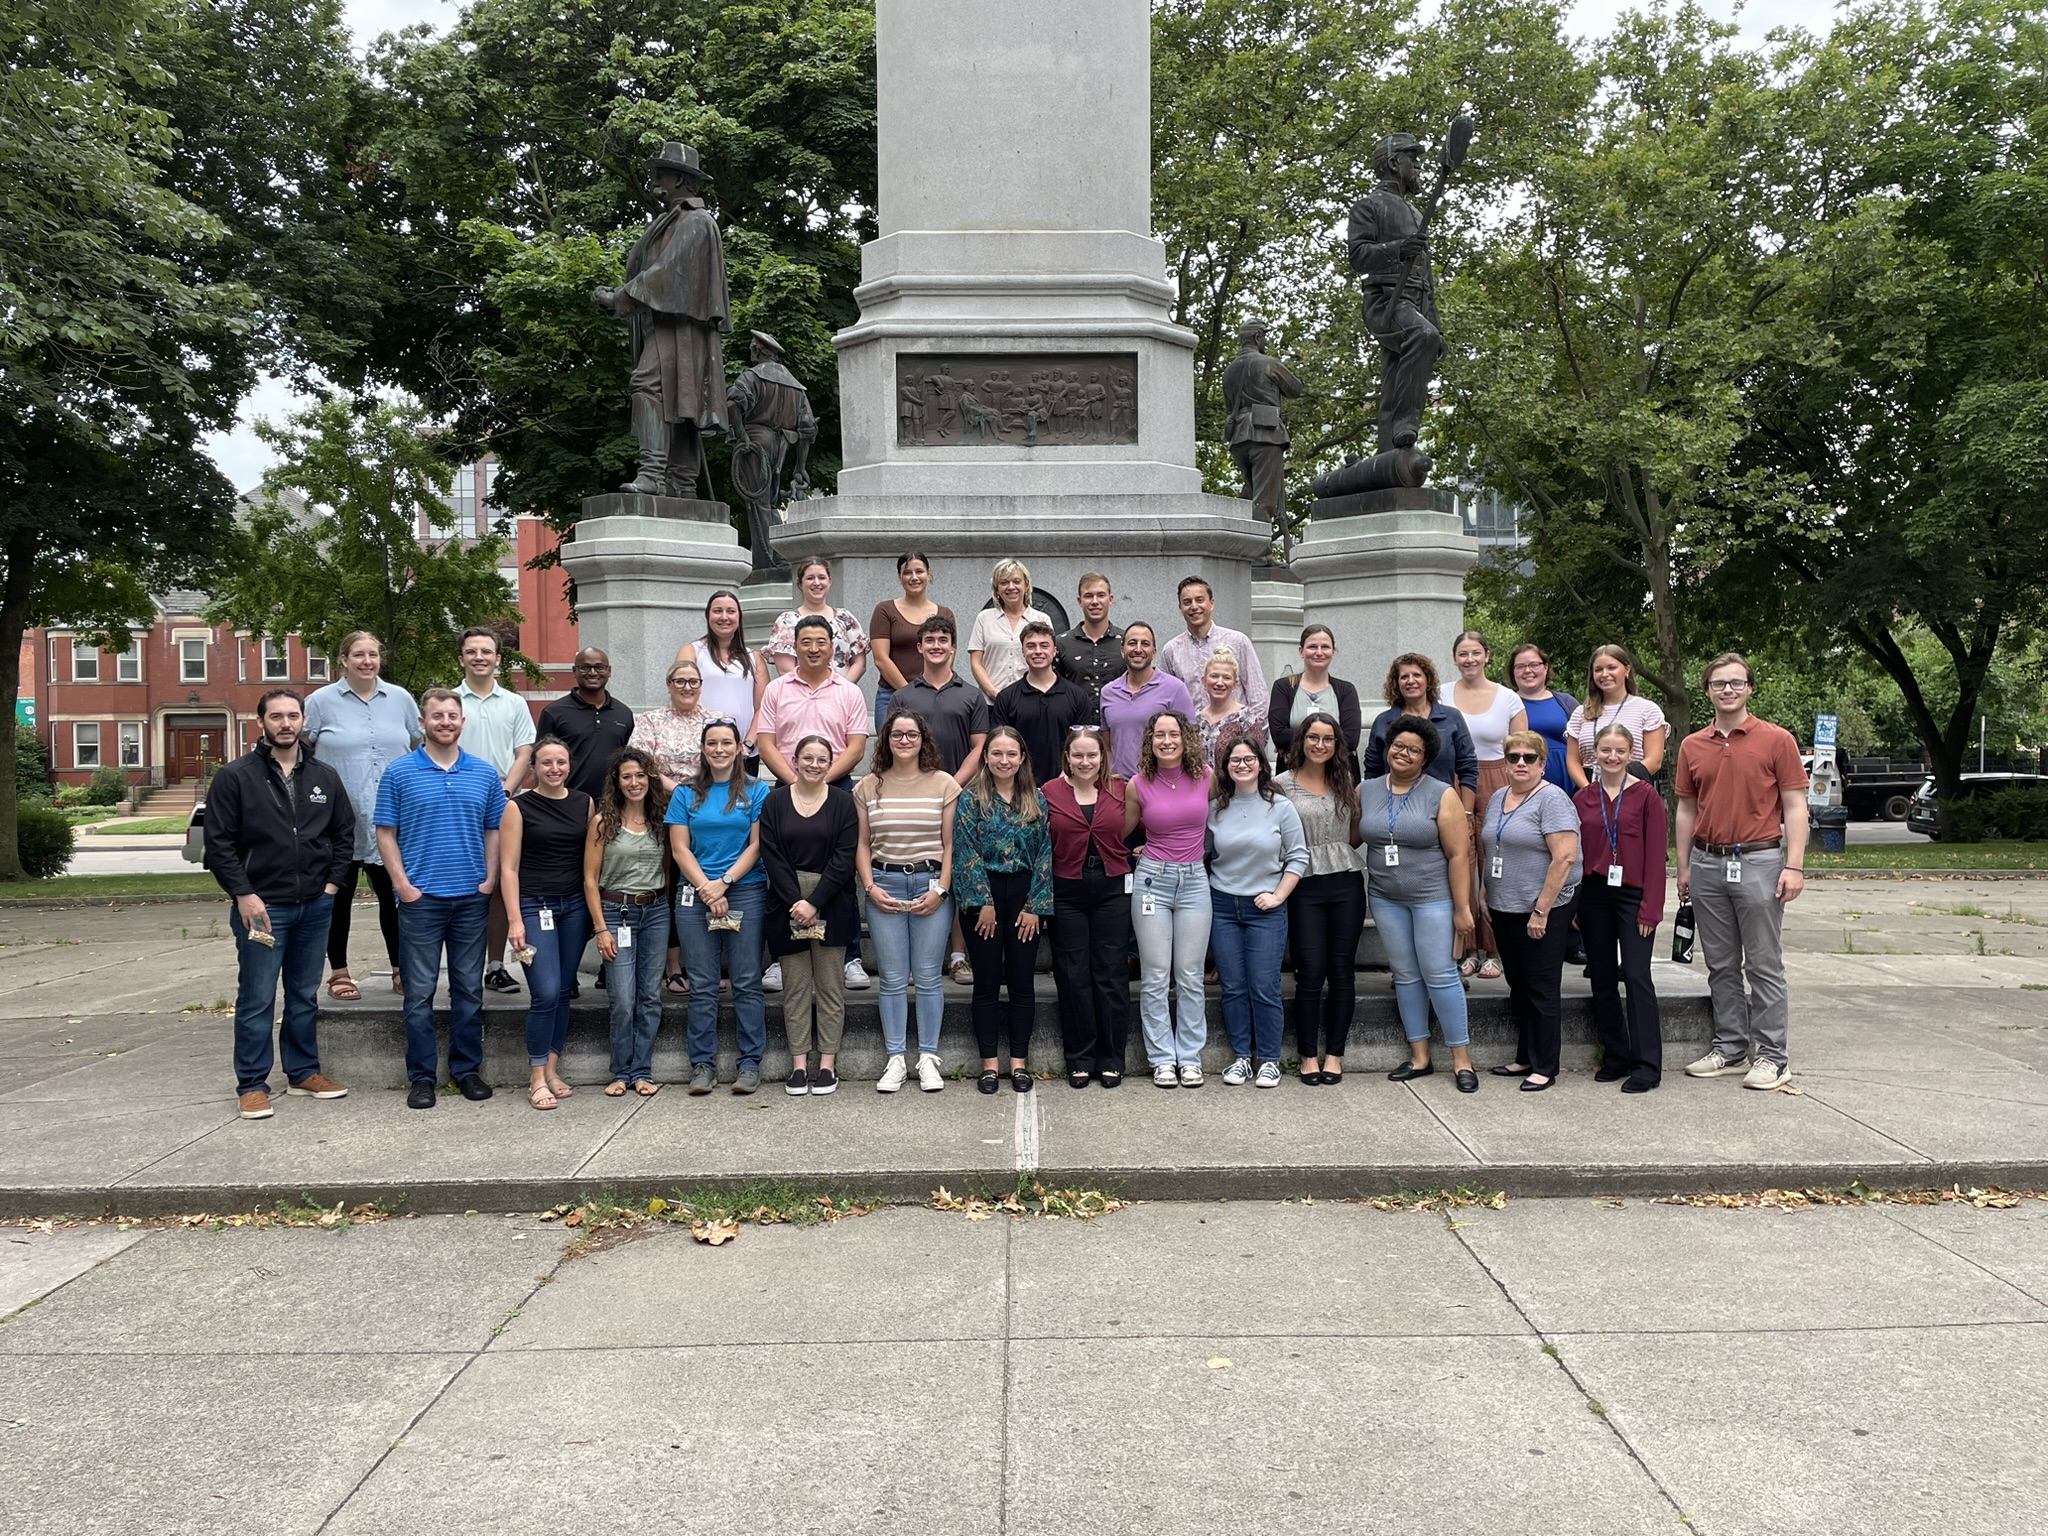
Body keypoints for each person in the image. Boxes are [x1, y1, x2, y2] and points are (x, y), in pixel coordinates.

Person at [203, 688, 355, 1119]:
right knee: (257, 997)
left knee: (304, 995)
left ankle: (304, 1072)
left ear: (304, 720)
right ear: (262, 723)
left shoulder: (324, 776)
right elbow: (218, 844)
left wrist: (332, 885)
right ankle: (252, 1084)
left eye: (293, 716)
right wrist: (244, 893)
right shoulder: (236, 777)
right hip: (262, 909)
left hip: (315, 905)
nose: (285, 724)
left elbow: (344, 835)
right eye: (276, 717)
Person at [1676, 652, 1809, 1091]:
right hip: (1707, 863)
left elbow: (1795, 806)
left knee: (1764, 965)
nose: (1727, 690)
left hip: (1760, 861)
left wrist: (1794, 865)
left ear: (1750, 688)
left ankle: (1773, 1057)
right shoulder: (1693, 745)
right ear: (1708, 691)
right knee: (1720, 964)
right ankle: (1732, 1049)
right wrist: (1683, 866)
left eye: (1736, 682)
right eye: (1719, 684)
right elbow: (1686, 808)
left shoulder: (1777, 740)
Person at [373, 688, 507, 1109]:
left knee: (469, 990)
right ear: (422, 722)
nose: (445, 722)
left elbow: (494, 830)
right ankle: (422, 1076)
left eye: (452, 715)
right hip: (421, 900)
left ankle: (467, 1070)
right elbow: (385, 833)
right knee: (419, 993)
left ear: (462, 722)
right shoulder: (399, 773)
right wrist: (401, 885)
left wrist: (489, 879)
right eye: (437, 716)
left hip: (471, 897)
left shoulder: (484, 774)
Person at [591, 140, 729, 500]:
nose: (655, 177)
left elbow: (666, 274)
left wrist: (618, 298)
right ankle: (682, 483)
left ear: (682, 180)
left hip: (681, 328)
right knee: (680, 401)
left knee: (648, 386)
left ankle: (655, 473)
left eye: (662, 172)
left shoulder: (696, 221)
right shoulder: (670, 222)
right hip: (665, 324)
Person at [1363, 716, 1479, 1091]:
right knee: (1406, 977)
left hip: (1432, 899)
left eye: (1414, 749)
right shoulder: (1364, 790)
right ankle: (1420, 1057)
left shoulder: (1442, 793)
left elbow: (1459, 855)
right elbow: (1347, 835)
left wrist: (1462, 908)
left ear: (1425, 757)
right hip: (1385, 898)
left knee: (1441, 974)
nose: (1404, 753)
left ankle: (1462, 1061)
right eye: (1398, 745)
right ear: (1387, 747)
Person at [303, 630, 419, 1002]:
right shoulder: (320, 701)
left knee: (396, 897)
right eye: (358, 655)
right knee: (337, 898)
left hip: (392, 817)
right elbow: (302, 751)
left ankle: (402, 968)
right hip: (338, 820)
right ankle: (339, 972)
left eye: (373, 654)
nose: (367, 661)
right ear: (343, 659)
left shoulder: (400, 698)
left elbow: (416, 744)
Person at [855, 708, 961, 1094]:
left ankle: (929, 1058)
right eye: (897, 735)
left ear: (922, 739)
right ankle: (896, 1058)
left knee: (930, 977)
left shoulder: (943, 783)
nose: (904, 741)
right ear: (886, 740)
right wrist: (869, 886)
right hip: (884, 883)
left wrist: (941, 889)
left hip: (930, 883)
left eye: (911, 735)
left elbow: (951, 844)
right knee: (894, 979)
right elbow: (863, 844)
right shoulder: (869, 785)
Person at [668, 720, 771, 1094]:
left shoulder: (757, 791)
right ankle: (702, 1065)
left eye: (727, 742)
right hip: (695, 894)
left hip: (745, 891)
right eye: (712, 743)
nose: (720, 749)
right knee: (703, 984)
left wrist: (724, 882)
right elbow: (679, 848)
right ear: (703, 749)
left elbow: (757, 845)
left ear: (739, 748)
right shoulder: (686, 793)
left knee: (745, 980)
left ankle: (749, 1064)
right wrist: (706, 889)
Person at [1479, 730, 1583, 1092]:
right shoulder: (1497, 798)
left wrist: (1542, 910)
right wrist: (1483, 892)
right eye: (1513, 757)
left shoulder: (1552, 800)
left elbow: (1565, 857)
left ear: (1542, 764)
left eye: (1529, 758)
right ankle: (1524, 1056)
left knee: (1541, 987)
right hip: (1504, 905)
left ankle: (1544, 1065)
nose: (1520, 763)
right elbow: (1492, 848)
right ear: (1505, 763)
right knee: (1519, 986)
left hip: (1543, 907)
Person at [953, 726, 1053, 1094]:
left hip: (1024, 896)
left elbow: (1045, 854)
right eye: (997, 753)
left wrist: (1035, 906)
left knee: (1023, 983)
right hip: (985, 901)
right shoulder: (970, 800)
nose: (1004, 760)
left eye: (1011, 754)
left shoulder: (1036, 800)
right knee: (987, 983)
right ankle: (990, 1065)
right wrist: (983, 902)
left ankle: (1019, 1063)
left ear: (1022, 757)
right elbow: (965, 852)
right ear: (986, 757)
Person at [759, 735, 860, 1097]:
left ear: (830, 763)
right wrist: (796, 901)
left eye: (822, 759)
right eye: (808, 758)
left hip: (831, 901)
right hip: (786, 903)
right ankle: (799, 1065)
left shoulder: (843, 803)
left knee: (831, 987)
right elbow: (771, 854)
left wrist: (814, 902)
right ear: (795, 760)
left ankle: (827, 1065)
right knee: (796, 988)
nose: (815, 765)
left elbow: (845, 856)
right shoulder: (774, 802)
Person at [1209, 733, 1309, 1089]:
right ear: (1226, 767)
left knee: (1264, 986)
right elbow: (1201, 851)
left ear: (1261, 764)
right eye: (1234, 760)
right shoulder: (1216, 807)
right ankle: (1240, 1058)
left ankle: (1269, 1060)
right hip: (1222, 905)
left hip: (1264, 908)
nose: (1241, 765)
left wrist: (1279, 895)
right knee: (1234, 987)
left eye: (1248, 759)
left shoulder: (1279, 807)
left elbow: (1298, 856)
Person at [500, 737, 594, 1111]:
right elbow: (508, 868)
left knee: (564, 990)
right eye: (546, 763)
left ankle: (553, 1069)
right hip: (533, 905)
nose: (554, 769)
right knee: (545, 991)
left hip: (574, 908)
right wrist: (513, 920)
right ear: (533, 768)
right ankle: (536, 1075)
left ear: (569, 765)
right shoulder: (517, 808)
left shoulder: (584, 803)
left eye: (561, 762)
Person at [896, 613, 990, 982]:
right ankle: (913, 960)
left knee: (955, 873)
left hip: (959, 795)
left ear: (953, 647)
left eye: (943, 640)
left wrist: (950, 785)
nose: (936, 646)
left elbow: (980, 747)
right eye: (929, 640)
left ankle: (957, 955)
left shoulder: (970, 694)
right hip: (911, 799)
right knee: (914, 872)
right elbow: (894, 745)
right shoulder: (904, 695)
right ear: (920, 647)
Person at [1123, 709, 1214, 1088]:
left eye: (1173, 734)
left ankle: (1190, 1057)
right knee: (1156, 975)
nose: (1166, 741)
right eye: (1159, 735)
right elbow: (1122, 831)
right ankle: (1162, 1058)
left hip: (1195, 881)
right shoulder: (1137, 784)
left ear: (1185, 738)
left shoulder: (1206, 777)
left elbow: (1221, 821)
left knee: (1190, 976)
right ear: (1150, 741)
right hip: (1151, 883)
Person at [1575, 724, 1668, 1093]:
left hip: (1634, 896)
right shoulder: (1583, 798)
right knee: (1600, 977)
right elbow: (1576, 854)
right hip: (1595, 894)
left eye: (1619, 751)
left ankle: (1647, 1064)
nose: (1612, 757)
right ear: (1593, 754)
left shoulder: (1646, 797)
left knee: (1635, 975)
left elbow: (1657, 858)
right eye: (1605, 750)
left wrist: (1651, 909)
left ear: (1630, 755)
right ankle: (1616, 1054)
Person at [1278, 713, 1365, 1085]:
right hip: (1304, 885)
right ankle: (1307, 1056)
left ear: (1337, 745)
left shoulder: (1346, 781)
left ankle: (1335, 1054)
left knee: (1342, 972)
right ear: (1302, 741)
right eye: (1313, 737)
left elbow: (1356, 832)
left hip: (1345, 882)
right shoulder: (1280, 785)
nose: (1320, 745)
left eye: (1328, 739)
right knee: (1310, 974)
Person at [1044, 726, 1131, 1088]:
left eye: (1091, 755)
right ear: (1067, 757)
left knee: (1110, 973)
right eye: (1077, 755)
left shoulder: (1122, 789)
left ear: (1102, 756)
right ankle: (1080, 1057)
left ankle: (1112, 1057)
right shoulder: (1049, 792)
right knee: (1072, 974)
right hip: (1066, 890)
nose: (1085, 761)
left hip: (1112, 888)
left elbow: (1143, 826)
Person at [456, 627, 538, 997]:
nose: (479, 657)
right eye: (471, 651)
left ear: (498, 659)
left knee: (501, 884)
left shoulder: (514, 703)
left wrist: (505, 792)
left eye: (486, 652)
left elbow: (524, 753)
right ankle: (463, 966)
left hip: (503, 803)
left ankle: (495, 966)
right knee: (462, 885)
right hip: (457, 805)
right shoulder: (451, 702)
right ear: (461, 658)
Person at [585, 746, 670, 1097]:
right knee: (622, 997)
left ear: (649, 778)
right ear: (617, 782)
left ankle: (642, 1070)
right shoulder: (604, 821)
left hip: (656, 911)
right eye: (627, 777)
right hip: (614, 911)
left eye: (640, 775)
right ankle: (620, 1071)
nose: (634, 782)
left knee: (650, 995)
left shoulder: (661, 820)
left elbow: (668, 870)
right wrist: (600, 929)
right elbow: (590, 879)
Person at [1443, 630, 1527, 983]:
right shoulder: (1443, 694)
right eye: (1463, 654)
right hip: (1456, 779)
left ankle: (1494, 949)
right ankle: (1468, 948)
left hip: (1497, 778)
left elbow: (1522, 745)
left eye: (1475, 653)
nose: (1469, 660)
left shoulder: (1509, 699)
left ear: (1487, 656)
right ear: (1455, 658)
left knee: (1494, 857)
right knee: (1461, 856)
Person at [630, 654, 712, 998]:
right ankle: (674, 967)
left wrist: (700, 794)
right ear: (669, 686)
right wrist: (680, 791)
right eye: (680, 681)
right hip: (663, 812)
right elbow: (639, 763)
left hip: (709, 813)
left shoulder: (715, 720)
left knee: (706, 880)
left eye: (693, 681)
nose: (687, 687)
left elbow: (725, 758)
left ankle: (704, 966)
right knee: (673, 884)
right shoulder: (650, 722)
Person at [1221, 317, 1303, 559]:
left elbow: (1228, 406)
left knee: (1250, 497)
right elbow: (1295, 388)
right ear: (1257, 337)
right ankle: (1261, 555)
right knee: (1264, 501)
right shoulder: (1268, 363)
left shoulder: (1228, 371)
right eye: (1265, 336)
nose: (1266, 340)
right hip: (1265, 434)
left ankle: (1247, 548)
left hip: (1238, 437)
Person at [994, 621, 1097, 785]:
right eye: (1031, 646)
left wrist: (1066, 776)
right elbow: (1001, 747)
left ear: (1054, 650)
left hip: (1067, 785)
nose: (1038, 651)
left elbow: (1083, 743)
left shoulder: (1077, 696)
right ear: (1022, 651)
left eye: (1044, 646)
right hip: (1020, 788)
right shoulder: (1006, 698)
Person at [1363, 652, 1477, 795]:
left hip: (1442, 804)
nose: (1411, 681)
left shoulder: (1452, 718)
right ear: (1397, 684)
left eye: (1417, 675)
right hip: (1393, 806)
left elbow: (1467, 767)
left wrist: (1466, 812)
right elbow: (1373, 770)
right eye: (1404, 677)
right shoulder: (1383, 722)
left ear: (1428, 681)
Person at [1159, 576, 1267, 725]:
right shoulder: (1171, 651)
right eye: (1187, 602)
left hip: (1236, 739)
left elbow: (1258, 697)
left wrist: (1253, 741)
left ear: (1211, 603)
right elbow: (1166, 701)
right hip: (1192, 739)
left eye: (1200, 600)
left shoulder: (1238, 641)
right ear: (1180, 609)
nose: (1194, 606)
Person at [1099, 622, 1196, 781]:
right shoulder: (1108, 692)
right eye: (1132, 643)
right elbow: (1108, 747)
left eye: (1145, 644)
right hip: (1119, 788)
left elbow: (1190, 744)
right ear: (1122, 651)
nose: (1138, 649)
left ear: (1154, 652)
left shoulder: (1175, 689)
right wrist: (1110, 777)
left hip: (1160, 785)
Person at [538, 648, 636, 803]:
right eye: (585, 667)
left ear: (609, 671)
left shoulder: (623, 713)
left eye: (599, 667)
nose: (592, 672)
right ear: (574, 671)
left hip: (614, 804)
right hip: (567, 803)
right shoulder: (554, 713)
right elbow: (540, 762)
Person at [868, 551, 952, 732]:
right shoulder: (885, 610)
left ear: (929, 574)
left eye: (919, 571)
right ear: (900, 577)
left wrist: (927, 694)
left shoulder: (945, 614)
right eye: (907, 573)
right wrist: (910, 694)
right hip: (891, 695)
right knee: (891, 754)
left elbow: (948, 656)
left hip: (935, 695)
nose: (914, 577)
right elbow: (881, 659)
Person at [678, 590, 766, 757]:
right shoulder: (692, 651)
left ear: (739, 617)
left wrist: (747, 744)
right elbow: (680, 697)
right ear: (707, 616)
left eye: (731, 611)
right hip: (703, 751)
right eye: (717, 611)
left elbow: (762, 708)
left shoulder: (754, 658)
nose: (724, 617)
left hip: (743, 753)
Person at [1565, 644, 1667, 788]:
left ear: (1627, 670)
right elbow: (1573, 761)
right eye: (1598, 670)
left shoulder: (1647, 710)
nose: (1605, 674)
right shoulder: (1580, 713)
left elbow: (1654, 760)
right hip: (1589, 789)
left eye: (1611, 667)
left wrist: (1618, 785)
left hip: (1632, 787)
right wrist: (1589, 790)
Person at [1267, 624, 1361, 763]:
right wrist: (1330, 738)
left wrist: (1302, 737)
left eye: (1325, 647)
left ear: (1333, 651)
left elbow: (1351, 739)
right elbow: (1279, 736)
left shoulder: (1346, 690)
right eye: (1312, 647)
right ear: (1301, 651)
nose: (1319, 652)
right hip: (1293, 770)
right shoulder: (1284, 687)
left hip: (1336, 774)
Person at [767, 557, 869, 680]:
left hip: (841, 696)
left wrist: (842, 690)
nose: (816, 583)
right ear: (800, 583)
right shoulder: (787, 621)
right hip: (801, 695)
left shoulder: (845, 618)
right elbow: (785, 670)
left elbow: (859, 663)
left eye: (821, 577)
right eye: (810, 578)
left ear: (829, 581)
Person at [968, 557, 1051, 699]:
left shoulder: (1042, 619)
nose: (1011, 587)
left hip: (1032, 700)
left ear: (1026, 585)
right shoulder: (984, 618)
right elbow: (976, 662)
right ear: (997, 589)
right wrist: (994, 693)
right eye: (1004, 582)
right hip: (992, 703)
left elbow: (1048, 660)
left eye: (1016, 581)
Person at [1509, 642, 1581, 793]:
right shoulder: (1506, 703)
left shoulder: (1567, 702)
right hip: (1524, 778)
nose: (1527, 671)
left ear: (1546, 667)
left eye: (1534, 664)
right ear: (1513, 672)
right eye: (1520, 666)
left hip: (1567, 779)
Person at [1054, 572, 1123, 705]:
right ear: (1079, 601)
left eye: (1101, 595)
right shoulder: (1061, 644)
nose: (1095, 602)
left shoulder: (1127, 642)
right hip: (1075, 723)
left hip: (1118, 723)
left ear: (1110, 599)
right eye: (1088, 596)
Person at [1194, 647, 1266, 762]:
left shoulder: (1246, 719)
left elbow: (1257, 761)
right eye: (1214, 676)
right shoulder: (1195, 719)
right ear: (1204, 681)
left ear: (1235, 684)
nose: (1220, 682)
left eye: (1226, 677)